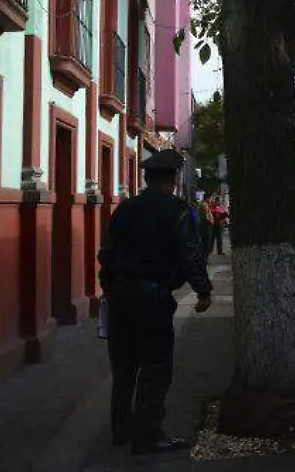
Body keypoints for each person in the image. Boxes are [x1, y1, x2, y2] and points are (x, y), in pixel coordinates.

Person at [97, 149, 212, 455]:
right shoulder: (177, 210)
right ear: (173, 179)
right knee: (155, 366)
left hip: (119, 296)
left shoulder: (124, 209)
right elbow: (190, 252)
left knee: (123, 366)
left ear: (146, 178)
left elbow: (105, 252)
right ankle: (147, 436)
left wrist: (108, 287)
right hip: (151, 297)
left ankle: (121, 430)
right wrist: (203, 290)